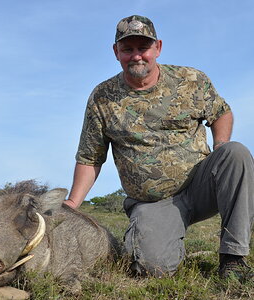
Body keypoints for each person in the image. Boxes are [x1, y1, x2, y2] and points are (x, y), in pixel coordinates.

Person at [64, 15, 254, 280]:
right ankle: (162, 242)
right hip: (153, 202)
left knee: (236, 153)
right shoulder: (102, 97)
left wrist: (220, 145)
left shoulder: (191, 80)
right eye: (128, 49)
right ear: (116, 52)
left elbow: (222, 112)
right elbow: (90, 157)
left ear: (158, 48)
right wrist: (72, 204)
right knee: (153, 268)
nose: (136, 56)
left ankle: (233, 258)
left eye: (143, 48)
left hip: (200, 186)